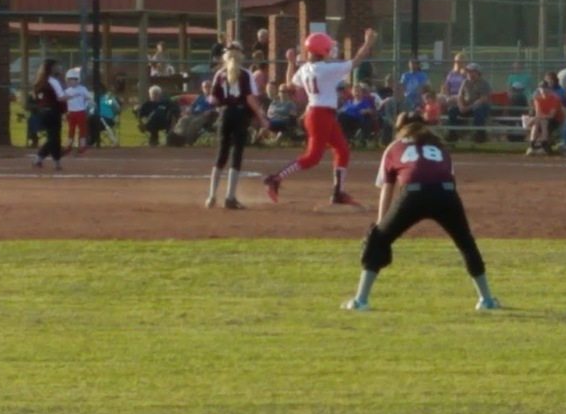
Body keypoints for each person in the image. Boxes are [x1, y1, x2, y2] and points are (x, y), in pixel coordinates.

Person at [340, 111, 499, 312]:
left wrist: (381, 227)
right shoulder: (440, 147)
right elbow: (449, 179)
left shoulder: (395, 147)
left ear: (400, 129)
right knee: (466, 242)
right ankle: (485, 300)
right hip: (446, 194)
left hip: (413, 195)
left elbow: (387, 189)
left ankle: (360, 300)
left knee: (378, 240)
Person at [263, 28, 378, 206]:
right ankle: (276, 178)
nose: (331, 51)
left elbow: (289, 84)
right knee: (312, 157)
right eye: (328, 48)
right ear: (322, 51)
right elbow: (355, 62)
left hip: (321, 114)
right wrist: (368, 42)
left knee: (342, 150)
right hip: (319, 116)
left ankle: (338, 193)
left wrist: (290, 63)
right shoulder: (326, 68)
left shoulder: (307, 68)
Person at [204, 41, 270, 210]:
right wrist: (261, 118)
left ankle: (211, 195)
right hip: (240, 114)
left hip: (225, 114)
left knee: (222, 153)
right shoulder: (246, 74)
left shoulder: (220, 73)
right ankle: (230, 197)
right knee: (237, 154)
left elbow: (213, 99)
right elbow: (249, 98)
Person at [31, 59, 68, 170]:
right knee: (54, 138)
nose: (58, 69)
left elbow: (35, 98)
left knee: (53, 137)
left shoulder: (38, 82)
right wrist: (72, 95)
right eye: (55, 67)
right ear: (51, 69)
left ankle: (54, 161)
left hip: (42, 113)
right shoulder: (52, 81)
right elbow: (60, 97)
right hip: (52, 111)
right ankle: (44, 159)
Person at [446, 62, 491, 142]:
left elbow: (482, 99)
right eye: (468, 71)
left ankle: (480, 135)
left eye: (471, 71)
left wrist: (467, 108)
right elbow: (460, 96)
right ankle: (452, 133)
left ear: (478, 72)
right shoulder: (465, 82)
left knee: (478, 110)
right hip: (467, 106)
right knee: (451, 110)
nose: (469, 73)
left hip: (480, 106)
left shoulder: (484, 83)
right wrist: (461, 106)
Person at [523, 82, 563, 156]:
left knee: (543, 122)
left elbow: (551, 115)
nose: (543, 90)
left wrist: (536, 118)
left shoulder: (554, 99)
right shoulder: (537, 99)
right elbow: (538, 113)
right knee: (536, 124)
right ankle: (532, 146)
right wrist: (535, 119)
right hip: (542, 119)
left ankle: (543, 146)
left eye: (545, 88)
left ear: (549, 89)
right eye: (541, 88)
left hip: (555, 120)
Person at [61, 67, 90, 156]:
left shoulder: (82, 89)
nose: (72, 82)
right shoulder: (67, 91)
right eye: (69, 80)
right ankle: (68, 145)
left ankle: (82, 145)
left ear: (78, 80)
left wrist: (89, 102)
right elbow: (63, 102)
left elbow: (88, 97)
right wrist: (64, 113)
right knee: (71, 129)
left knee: (82, 129)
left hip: (80, 111)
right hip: (71, 112)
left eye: (74, 80)